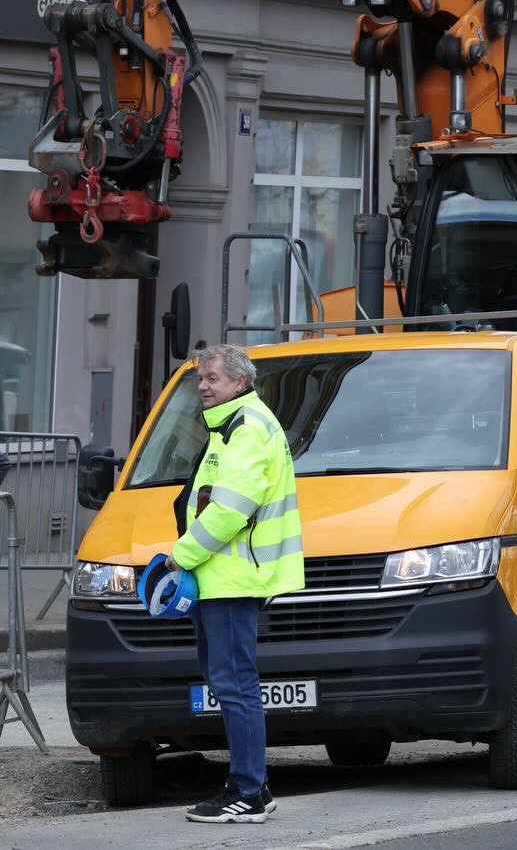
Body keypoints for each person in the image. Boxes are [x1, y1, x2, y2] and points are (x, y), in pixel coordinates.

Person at [168, 344, 303, 824]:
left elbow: (228, 510)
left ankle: (249, 790)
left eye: (213, 378)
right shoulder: (232, 425)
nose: (203, 385)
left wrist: (180, 554)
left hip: (232, 578)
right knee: (231, 683)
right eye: (200, 378)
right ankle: (250, 786)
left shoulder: (244, 428)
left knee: (235, 685)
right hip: (224, 576)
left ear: (239, 382)